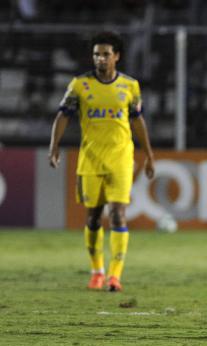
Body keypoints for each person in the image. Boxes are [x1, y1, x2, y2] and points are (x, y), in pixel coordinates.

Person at [48, 31, 155, 292]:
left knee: (118, 215)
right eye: (97, 54)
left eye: (106, 54)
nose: (101, 59)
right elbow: (63, 115)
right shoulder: (79, 85)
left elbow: (137, 120)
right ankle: (97, 271)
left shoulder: (130, 86)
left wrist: (149, 154)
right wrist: (54, 146)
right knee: (94, 218)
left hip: (121, 158)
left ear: (116, 56)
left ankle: (114, 276)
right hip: (91, 159)